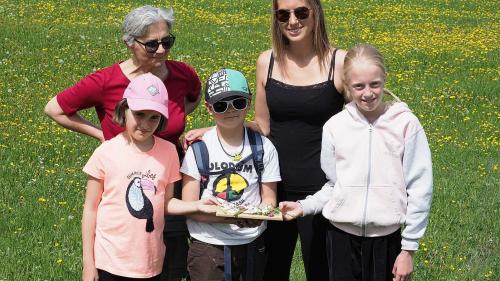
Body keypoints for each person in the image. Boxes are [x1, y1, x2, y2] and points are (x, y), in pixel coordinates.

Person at [183, 1, 345, 280]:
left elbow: (362, 117)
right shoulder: (267, 61)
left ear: (316, 12)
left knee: (322, 270)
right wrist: (214, 129)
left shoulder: (339, 62)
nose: (292, 21)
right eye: (283, 14)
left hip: (324, 189)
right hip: (272, 186)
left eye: (301, 12)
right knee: (270, 271)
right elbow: (262, 125)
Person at [43, 5, 200, 280]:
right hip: (123, 184)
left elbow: (194, 97)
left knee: (171, 263)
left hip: (168, 181)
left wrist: (175, 121)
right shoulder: (106, 81)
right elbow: (55, 109)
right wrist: (102, 136)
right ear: (129, 43)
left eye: (167, 41)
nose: (162, 51)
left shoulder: (182, 74)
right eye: (152, 44)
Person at [279, 44, 433, 281]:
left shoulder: (406, 124)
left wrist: (408, 249)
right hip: (340, 239)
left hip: (386, 240)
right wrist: (303, 207)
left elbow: (420, 188)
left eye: (375, 84)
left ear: (385, 79)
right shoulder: (335, 127)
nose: (368, 93)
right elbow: (333, 185)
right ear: (347, 86)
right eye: (358, 86)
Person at [81, 73, 214, 281]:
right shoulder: (106, 152)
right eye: (139, 114)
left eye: (154, 117)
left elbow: (167, 203)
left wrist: (197, 206)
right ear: (124, 109)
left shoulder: (169, 152)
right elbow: (90, 210)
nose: (145, 123)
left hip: (151, 263)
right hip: (108, 261)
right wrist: (88, 264)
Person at [181, 69, 282, 281]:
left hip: (251, 243)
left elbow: (269, 199)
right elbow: (190, 207)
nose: (230, 110)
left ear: (248, 102)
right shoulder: (199, 150)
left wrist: (258, 215)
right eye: (221, 105)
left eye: (238, 102)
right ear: (209, 108)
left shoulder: (263, 147)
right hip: (208, 244)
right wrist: (232, 217)